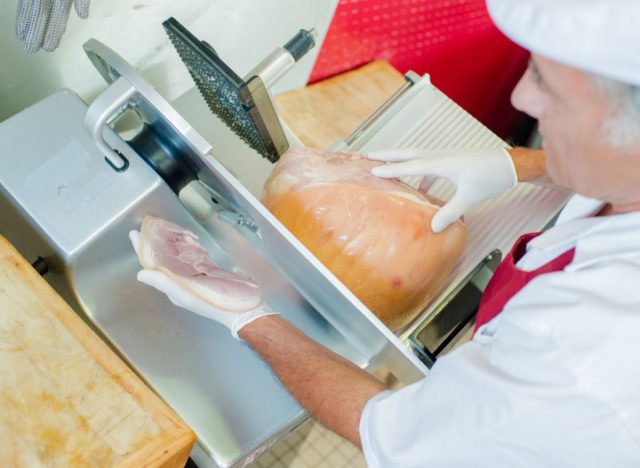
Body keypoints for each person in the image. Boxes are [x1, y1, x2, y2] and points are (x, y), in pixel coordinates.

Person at [132, 0, 640, 466]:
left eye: (551, 85)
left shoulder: (578, 356)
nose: (520, 97)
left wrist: (248, 316)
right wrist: (515, 165)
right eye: (532, 66)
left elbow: (392, 435)